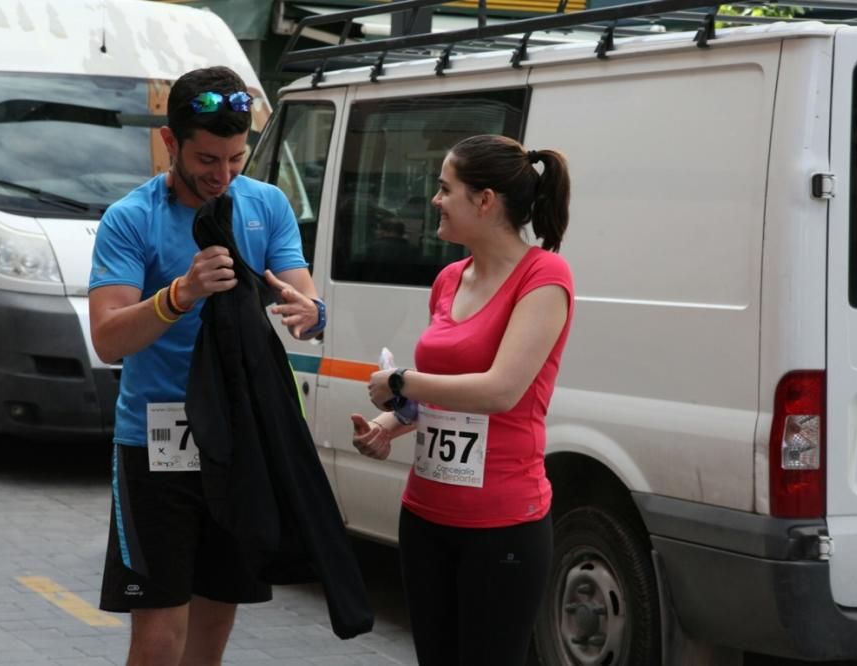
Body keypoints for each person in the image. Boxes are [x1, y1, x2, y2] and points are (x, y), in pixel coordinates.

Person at [88, 66, 323, 666]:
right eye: (206, 159)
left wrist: (309, 310)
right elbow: (109, 339)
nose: (221, 176)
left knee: (210, 633)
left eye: (236, 159)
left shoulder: (266, 205)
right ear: (170, 143)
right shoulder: (130, 218)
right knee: (160, 636)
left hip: (237, 442)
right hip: (153, 445)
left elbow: (303, 294)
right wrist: (177, 295)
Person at [351, 134, 574, 666]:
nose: (434, 200)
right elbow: (442, 395)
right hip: (425, 515)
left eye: (444, 188)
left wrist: (401, 381)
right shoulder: (450, 278)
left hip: (502, 525)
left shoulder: (545, 277)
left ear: (484, 200)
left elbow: (500, 390)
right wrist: (390, 423)